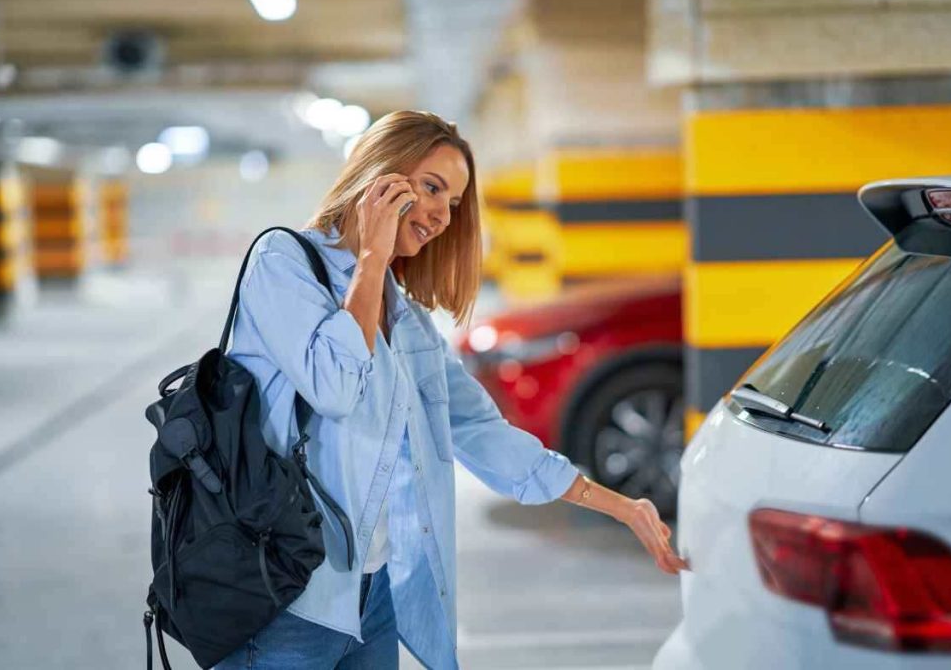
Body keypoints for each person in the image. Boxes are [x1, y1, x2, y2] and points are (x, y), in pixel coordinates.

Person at [217, 110, 687, 670]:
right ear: (379, 177)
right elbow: (335, 386)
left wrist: (620, 504)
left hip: (372, 596)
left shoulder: (406, 317)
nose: (442, 215)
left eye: (455, 203)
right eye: (432, 188)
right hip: (287, 595)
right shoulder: (282, 265)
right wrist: (371, 257)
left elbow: (480, 431)